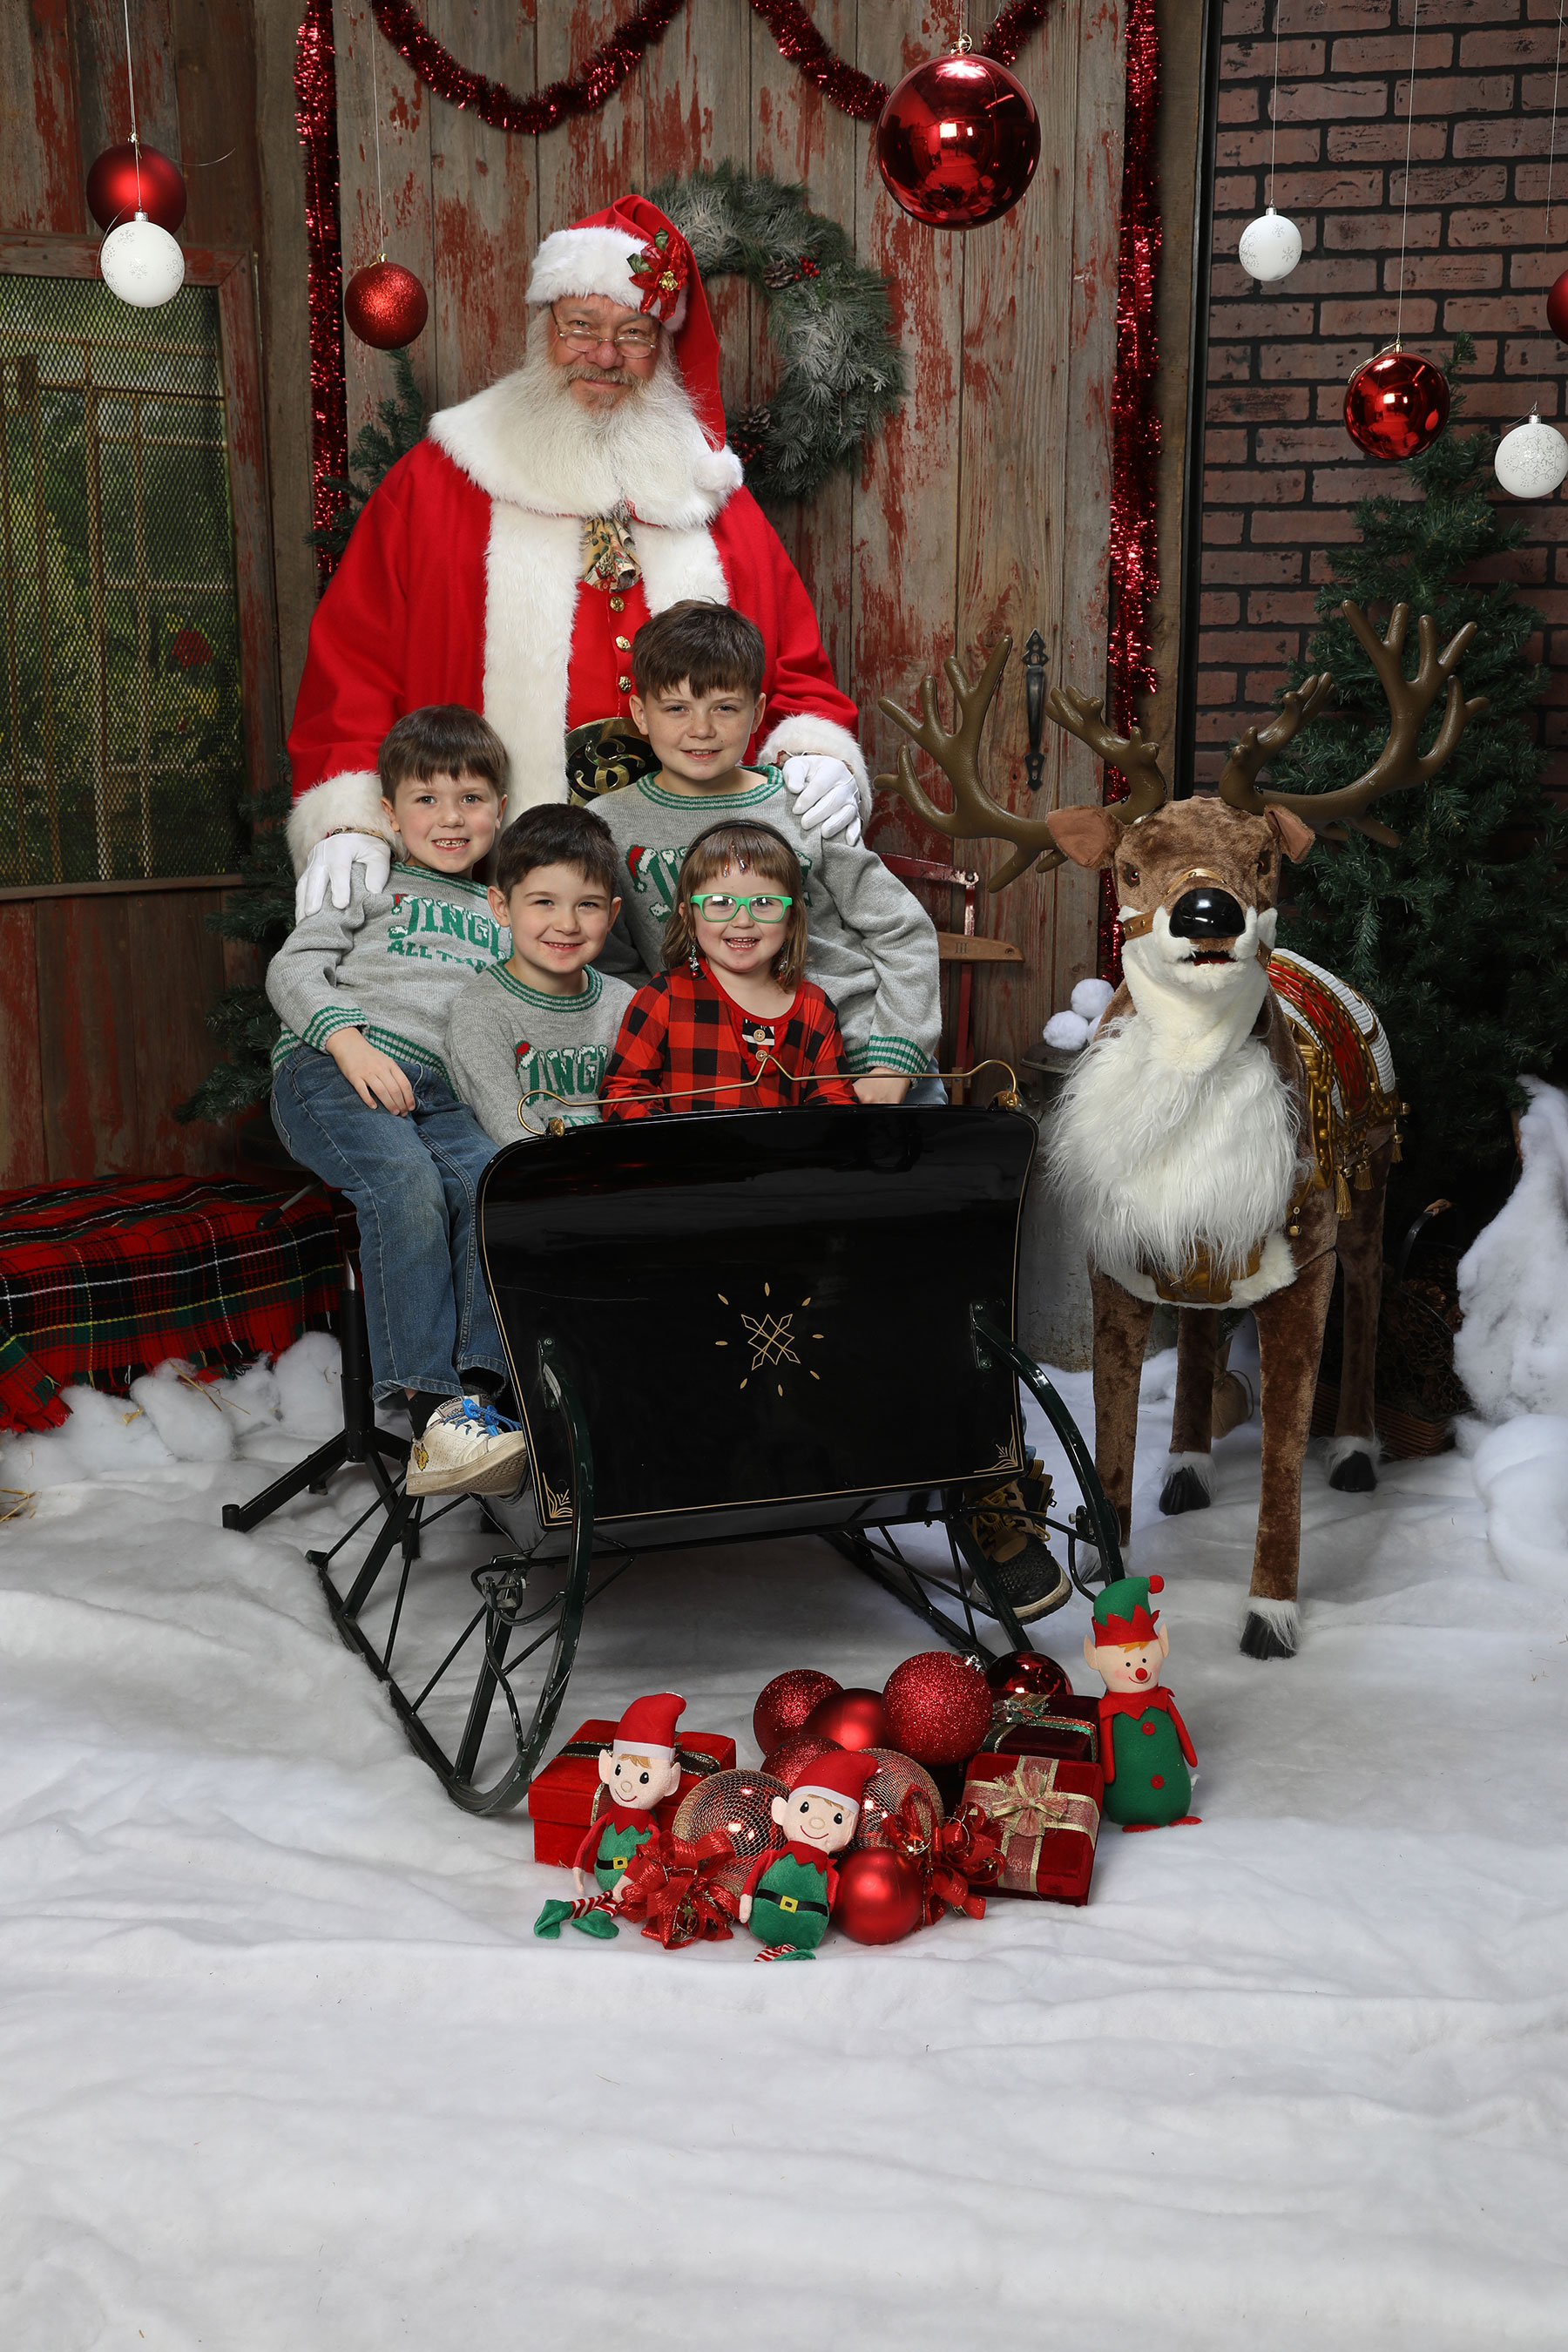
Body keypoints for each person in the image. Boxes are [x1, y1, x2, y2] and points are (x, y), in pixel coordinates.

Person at [287, 192, 868, 918]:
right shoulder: (438, 482)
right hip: (487, 890)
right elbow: (352, 670)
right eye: (581, 327)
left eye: (633, 333)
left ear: (660, 349)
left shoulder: (710, 493)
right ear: (543, 331)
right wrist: (349, 818)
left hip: (696, 901)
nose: (604, 355)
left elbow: (793, 671)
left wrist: (814, 751)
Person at [267, 705, 528, 1500]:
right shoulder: (372, 887)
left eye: (471, 799)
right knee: (408, 1186)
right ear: (388, 812)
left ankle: (483, 1396)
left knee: (497, 1187)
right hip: (332, 1070)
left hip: (444, 1094)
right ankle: (432, 1408)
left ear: (501, 811)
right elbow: (291, 972)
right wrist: (347, 1041)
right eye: (426, 799)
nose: (450, 819)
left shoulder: (505, 913)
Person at [594, 601, 943, 1105]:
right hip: (722, 1068)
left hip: (861, 1049)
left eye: (725, 707)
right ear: (639, 714)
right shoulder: (611, 824)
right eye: (676, 708)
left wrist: (896, 1058)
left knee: (921, 1175)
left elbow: (901, 929)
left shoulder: (803, 801)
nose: (701, 729)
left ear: (758, 712)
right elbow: (615, 967)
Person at [599, 821, 859, 1119]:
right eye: (721, 903)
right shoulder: (664, 998)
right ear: (688, 917)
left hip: (784, 1163)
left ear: (791, 920)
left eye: (763, 903)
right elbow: (623, 1093)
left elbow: (836, 1107)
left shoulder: (815, 1008)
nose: (743, 920)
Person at [444, 802, 634, 1145]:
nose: (566, 925)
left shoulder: (626, 1004)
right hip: (536, 1177)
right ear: (502, 907)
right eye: (544, 902)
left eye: (588, 904)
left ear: (611, 913)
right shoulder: (480, 1011)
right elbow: (506, 1125)